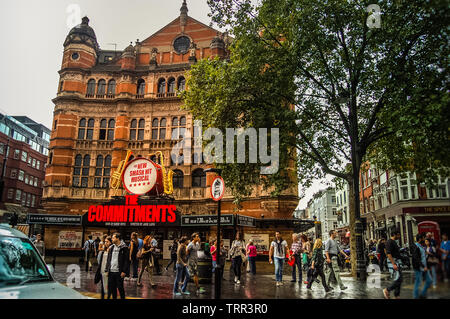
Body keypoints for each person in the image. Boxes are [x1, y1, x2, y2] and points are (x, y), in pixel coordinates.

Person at [105, 233, 130, 299]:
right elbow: (109, 259)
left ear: (118, 238)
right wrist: (107, 269)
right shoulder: (112, 247)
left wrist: (124, 271)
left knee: (120, 288)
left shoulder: (124, 248)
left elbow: (126, 261)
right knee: (112, 288)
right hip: (111, 271)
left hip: (119, 272)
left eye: (113, 238)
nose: (112, 239)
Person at [383, 229, 403, 299]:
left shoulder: (394, 242)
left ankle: (396, 295)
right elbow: (388, 253)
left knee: (398, 278)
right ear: (394, 234)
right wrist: (393, 264)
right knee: (399, 279)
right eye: (398, 234)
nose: (399, 236)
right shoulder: (389, 242)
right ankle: (387, 290)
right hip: (394, 262)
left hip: (396, 262)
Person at [412, 233, 432, 299]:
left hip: (424, 267)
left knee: (429, 281)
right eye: (424, 238)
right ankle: (416, 296)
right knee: (418, 283)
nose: (425, 239)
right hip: (419, 268)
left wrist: (427, 254)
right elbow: (416, 259)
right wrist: (423, 266)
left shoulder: (421, 246)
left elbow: (423, 257)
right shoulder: (416, 246)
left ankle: (422, 294)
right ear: (420, 239)